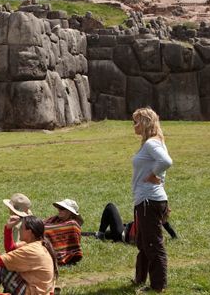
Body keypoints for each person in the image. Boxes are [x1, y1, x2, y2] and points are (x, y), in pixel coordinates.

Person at [131, 107, 173, 292]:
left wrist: (152, 175)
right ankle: (140, 278)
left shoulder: (151, 144)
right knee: (143, 242)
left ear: (146, 122)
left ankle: (158, 286)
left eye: (137, 121)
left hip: (149, 200)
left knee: (153, 244)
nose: (134, 126)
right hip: (147, 199)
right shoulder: (153, 142)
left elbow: (166, 162)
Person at [86, 202, 178, 243]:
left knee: (110, 207)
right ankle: (96, 234)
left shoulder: (148, 214)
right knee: (94, 234)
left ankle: (101, 234)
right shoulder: (155, 219)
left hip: (122, 234)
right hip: (123, 231)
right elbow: (170, 230)